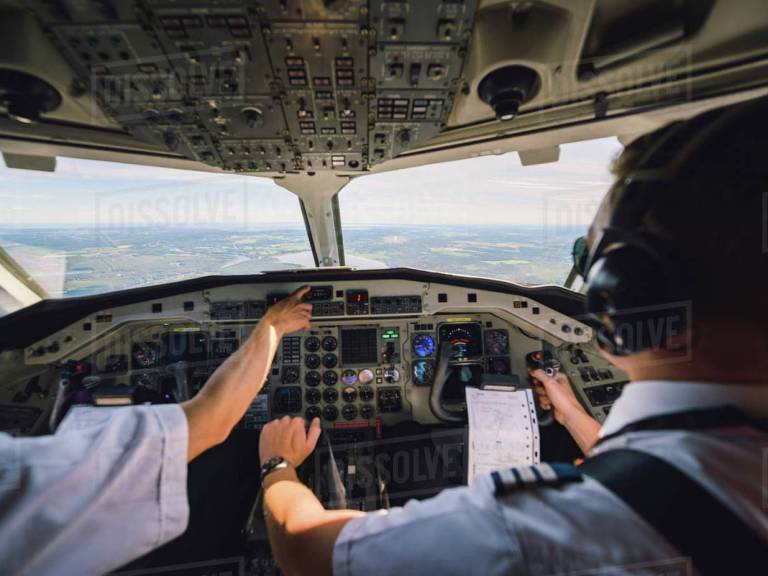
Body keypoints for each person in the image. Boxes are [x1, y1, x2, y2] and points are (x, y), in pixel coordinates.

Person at [258, 97, 768, 575]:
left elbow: (304, 549)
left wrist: (277, 464)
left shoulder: (545, 527)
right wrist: (570, 415)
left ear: (630, 289)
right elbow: (664, 464)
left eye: (587, 259)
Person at [0, 287, 313, 576]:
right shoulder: (20, 478)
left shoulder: (17, 479)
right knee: (240, 450)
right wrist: (272, 325)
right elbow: (212, 422)